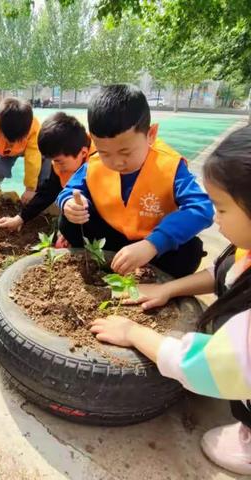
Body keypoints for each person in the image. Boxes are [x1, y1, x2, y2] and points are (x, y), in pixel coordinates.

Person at [90, 125, 251, 476]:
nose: (215, 220)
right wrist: (167, 288)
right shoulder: (246, 248)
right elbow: (223, 274)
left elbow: (202, 367)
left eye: (221, 210)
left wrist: (133, 333)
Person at [57, 84, 214, 278]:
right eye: (105, 152)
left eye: (126, 152)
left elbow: (201, 209)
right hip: (110, 236)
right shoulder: (95, 163)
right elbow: (70, 189)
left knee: (189, 252)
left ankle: (141, 268)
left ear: (151, 134)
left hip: (150, 243)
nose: (116, 162)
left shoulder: (169, 166)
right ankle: (102, 261)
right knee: (67, 221)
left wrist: (153, 244)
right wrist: (69, 204)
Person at [0, 112, 92, 234]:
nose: (56, 166)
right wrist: (20, 218)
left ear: (83, 153)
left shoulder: (99, 163)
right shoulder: (62, 163)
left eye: (59, 162)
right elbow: (48, 193)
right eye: (52, 160)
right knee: (66, 224)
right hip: (80, 214)